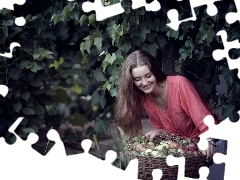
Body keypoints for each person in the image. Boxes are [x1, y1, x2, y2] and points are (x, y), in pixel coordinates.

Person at [114, 49, 219, 162]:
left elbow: (206, 122)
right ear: (132, 82)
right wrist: (161, 132)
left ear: (155, 72)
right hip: (186, 154)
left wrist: (209, 140)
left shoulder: (179, 84)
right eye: (137, 79)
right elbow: (172, 135)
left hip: (210, 148)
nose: (144, 83)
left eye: (148, 76)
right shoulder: (145, 99)